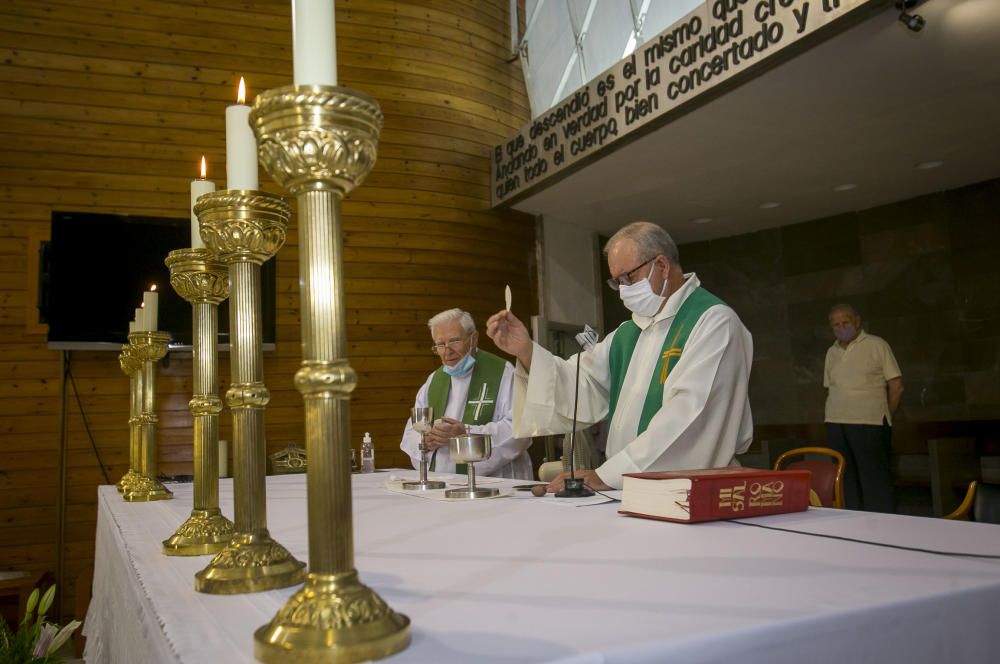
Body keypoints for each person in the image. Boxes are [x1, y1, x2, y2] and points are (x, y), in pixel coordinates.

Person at [486, 221, 753, 492]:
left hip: (692, 491)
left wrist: (609, 475)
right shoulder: (628, 333)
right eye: (617, 282)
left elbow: (692, 416)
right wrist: (526, 351)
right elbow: (581, 385)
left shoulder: (713, 321)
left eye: (629, 278)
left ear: (661, 266)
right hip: (627, 488)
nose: (623, 290)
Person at [399, 308, 532, 479]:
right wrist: (425, 440)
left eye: (454, 341)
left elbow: (520, 429)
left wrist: (465, 434)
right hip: (443, 486)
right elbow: (412, 430)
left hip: (495, 483)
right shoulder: (434, 381)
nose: (447, 351)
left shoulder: (503, 373)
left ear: (473, 339)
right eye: (440, 344)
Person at [824, 304, 903, 512]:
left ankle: (882, 526)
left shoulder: (877, 345)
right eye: (836, 325)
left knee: (874, 480)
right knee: (845, 480)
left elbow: (896, 386)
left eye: (845, 322)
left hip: (870, 422)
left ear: (857, 321)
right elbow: (831, 387)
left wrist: (886, 416)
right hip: (836, 422)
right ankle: (853, 524)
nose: (841, 327)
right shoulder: (831, 352)